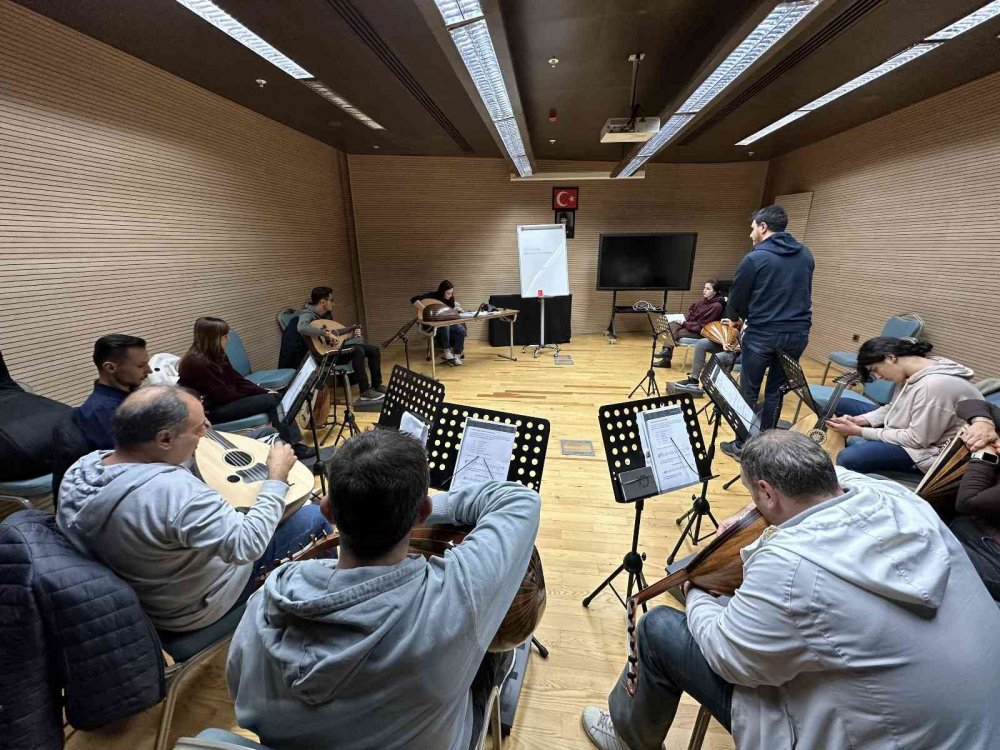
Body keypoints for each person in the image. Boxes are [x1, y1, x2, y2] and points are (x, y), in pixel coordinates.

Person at [581, 430, 1000, 750]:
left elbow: (729, 658)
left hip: (887, 737)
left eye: (755, 495)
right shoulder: (898, 496)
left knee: (658, 628)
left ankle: (628, 737)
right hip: (976, 724)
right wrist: (745, 517)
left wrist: (697, 587)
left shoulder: (790, 568)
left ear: (767, 491)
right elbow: (843, 475)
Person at [227, 429, 542, 750]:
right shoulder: (455, 596)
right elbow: (520, 500)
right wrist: (405, 507)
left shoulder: (265, 601)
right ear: (423, 513)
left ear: (327, 510)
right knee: (496, 622)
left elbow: (241, 692)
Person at [56, 386, 331, 632]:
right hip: (197, 605)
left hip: (150, 591)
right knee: (314, 515)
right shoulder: (175, 493)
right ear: (165, 439)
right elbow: (248, 545)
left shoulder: (82, 469)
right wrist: (276, 477)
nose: (206, 431)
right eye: (199, 428)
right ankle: (326, 606)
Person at [720, 205, 813, 459]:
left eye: (752, 228)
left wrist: (736, 320)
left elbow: (736, 298)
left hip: (763, 332)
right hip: (797, 333)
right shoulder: (805, 254)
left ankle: (742, 445)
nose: (750, 234)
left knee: (748, 390)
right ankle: (766, 448)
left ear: (763, 227)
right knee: (776, 391)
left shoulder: (755, 258)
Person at [825, 337, 982, 475]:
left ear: (890, 357)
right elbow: (893, 407)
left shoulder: (934, 386)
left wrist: (860, 431)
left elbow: (916, 440)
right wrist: (859, 420)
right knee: (840, 403)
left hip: (927, 452)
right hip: (911, 426)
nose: (878, 377)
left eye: (876, 369)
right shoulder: (914, 371)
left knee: (848, 457)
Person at [178, 316, 314, 459]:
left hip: (224, 401)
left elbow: (237, 380)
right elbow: (222, 395)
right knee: (274, 401)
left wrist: (264, 391)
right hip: (211, 410)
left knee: (274, 397)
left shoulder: (216, 354)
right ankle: (293, 447)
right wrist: (258, 396)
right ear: (213, 338)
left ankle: (289, 444)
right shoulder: (195, 362)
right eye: (225, 336)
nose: (228, 339)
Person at [945, 398, 1000, 599]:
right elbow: (970, 404)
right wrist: (983, 423)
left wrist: (986, 455)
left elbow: (968, 502)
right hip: (979, 519)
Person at [297, 286, 384, 401]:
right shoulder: (307, 314)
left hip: (333, 349)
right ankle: (364, 391)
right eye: (331, 300)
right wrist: (326, 334)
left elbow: (335, 337)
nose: (333, 303)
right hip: (323, 356)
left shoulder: (326, 315)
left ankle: (376, 385)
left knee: (373, 350)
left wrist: (350, 334)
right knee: (357, 350)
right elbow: (301, 328)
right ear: (323, 302)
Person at [73, 334, 151, 450]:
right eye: (141, 366)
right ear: (110, 368)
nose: (149, 370)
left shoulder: (128, 398)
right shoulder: (104, 413)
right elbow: (130, 456)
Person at [653, 280, 724, 369]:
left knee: (672, 332)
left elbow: (703, 325)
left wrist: (684, 323)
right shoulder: (702, 302)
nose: (704, 290)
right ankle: (666, 351)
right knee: (671, 324)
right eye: (704, 288)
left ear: (715, 292)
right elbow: (691, 316)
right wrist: (683, 321)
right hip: (691, 327)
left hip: (701, 332)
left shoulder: (716, 306)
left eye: (708, 289)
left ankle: (666, 357)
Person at [432, 279, 468, 365]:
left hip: (449, 323)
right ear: (442, 292)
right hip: (438, 325)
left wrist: (456, 310)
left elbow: (450, 313)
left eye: (451, 293)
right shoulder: (435, 299)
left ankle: (457, 355)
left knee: (461, 329)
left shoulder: (451, 299)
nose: (451, 295)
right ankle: (447, 351)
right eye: (448, 293)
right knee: (446, 325)